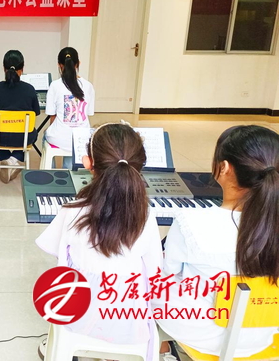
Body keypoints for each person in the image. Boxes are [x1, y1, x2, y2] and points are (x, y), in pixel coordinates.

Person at [36, 123, 162, 359]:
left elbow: (59, 257)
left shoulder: (72, 211)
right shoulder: (146, 216)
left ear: (88, 163)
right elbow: (155, 271)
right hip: (129, 324)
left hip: (78, 317)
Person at [156, 125, 279, 359]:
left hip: (202, 333)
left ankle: (161, 351)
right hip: (263, 334)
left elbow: (168, 274)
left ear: (224, 168)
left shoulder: (191, 221)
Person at [0, 50, 40, 183]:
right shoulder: (30, 89)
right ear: (22, 69)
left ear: (4, 68)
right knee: (34, 133)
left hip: (0, 138)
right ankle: (15, 159)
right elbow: (35, 115)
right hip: (22, 138)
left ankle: (6, 157)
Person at [44, 47, 95, 169]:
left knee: (47, 135)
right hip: (82, 139)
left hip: (60, 138)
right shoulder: (88, 86)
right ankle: (69, 170)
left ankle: (51, 172)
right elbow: (88, 113)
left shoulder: (55, 85)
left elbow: (52, 116)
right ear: (78, 64)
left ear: (59, 65)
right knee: (72, 143)